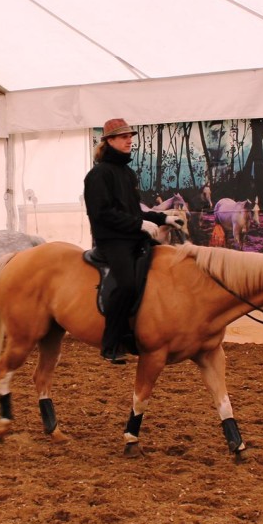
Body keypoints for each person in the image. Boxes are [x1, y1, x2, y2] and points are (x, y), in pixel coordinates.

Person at [84, 118, 184, 364]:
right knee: (127, 284)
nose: (129, 140)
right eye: (122, 136)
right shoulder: (98, 175)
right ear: (109, 141)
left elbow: (133, 211)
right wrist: (138, 225)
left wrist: (163, 218)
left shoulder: (127, 173)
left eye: (130, 136)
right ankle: (111, 343)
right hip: (112, 240)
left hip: (132, 235)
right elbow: (102, 213)